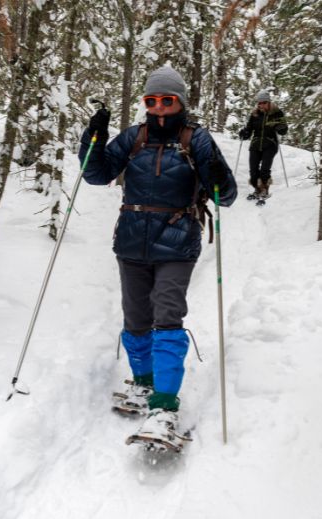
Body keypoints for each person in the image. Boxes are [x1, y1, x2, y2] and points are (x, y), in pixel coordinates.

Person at [78, 65, 237, 441]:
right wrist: (94, 137)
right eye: (152, 101)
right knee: (135, 318)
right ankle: (144, 383)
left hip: (178, 241)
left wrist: (216, 175)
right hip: (132, 240)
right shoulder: (133, 137)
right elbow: (96, 174)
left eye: (167, 100)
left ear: (179, 101)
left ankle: (164, 408)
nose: (160, 107)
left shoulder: (196, 139)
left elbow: (225, 196)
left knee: (166, 316)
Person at [238, 90, 288, 200]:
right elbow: (249, 129)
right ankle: (257, 189)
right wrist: (244, 133)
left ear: (269, 102)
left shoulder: (277, 113)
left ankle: (264, 189)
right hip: (256, 144)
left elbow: (284, 130)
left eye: (263, 102)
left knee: (265, 169)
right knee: (253, 170)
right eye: (259, 103)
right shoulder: (254, 114)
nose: (261, 105)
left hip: (270, 144)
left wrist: (281, 128)